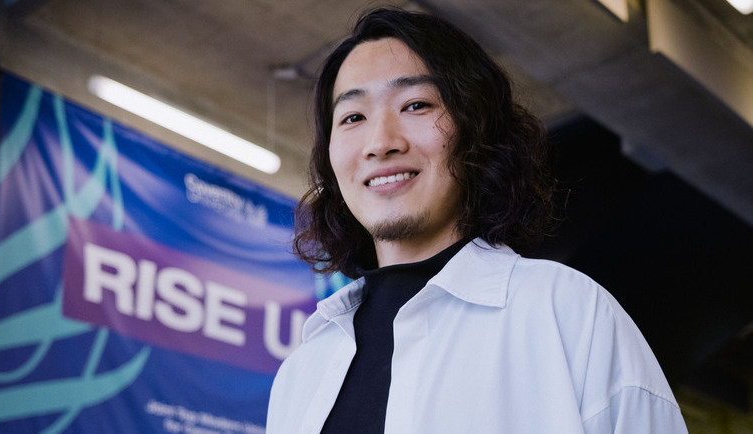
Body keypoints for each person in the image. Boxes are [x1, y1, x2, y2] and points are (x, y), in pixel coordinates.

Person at [266, 7, 688, 434]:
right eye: (353, 117)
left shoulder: (567, 312)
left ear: (476, 130)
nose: (380, 143)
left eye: (416, 105)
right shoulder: (303, 371)